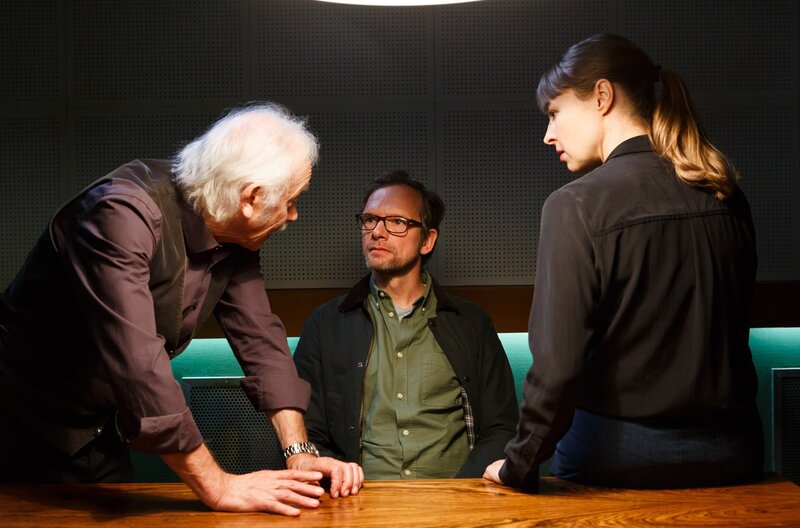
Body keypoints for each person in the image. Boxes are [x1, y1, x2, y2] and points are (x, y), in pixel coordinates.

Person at [0, 103, 363, 515]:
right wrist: (219, 487)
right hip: (19, 426)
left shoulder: (234, 231)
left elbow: (262, 342)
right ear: (250, 198)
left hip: (97, 428)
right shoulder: (120, 215)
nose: (293, 216)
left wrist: (300, 454)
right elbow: (141, 367)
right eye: (292, 201)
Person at [484, 34, 763, 491]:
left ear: (602, 96)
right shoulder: (726, 193)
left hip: (616, 457)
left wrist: (518, 463)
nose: (548, 134)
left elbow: (558, 368)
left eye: (554, 113)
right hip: (735, 452)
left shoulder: (575, 205)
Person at [293, 170, 518, 479]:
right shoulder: (325, 325)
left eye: (397, 222)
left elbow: (501, 426)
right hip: (359, 498)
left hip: (454, 499)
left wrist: (464, 491)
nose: (377, 232)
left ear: (427, 240)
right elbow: (307, 431)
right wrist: (341, 482)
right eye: (370, 220)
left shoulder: (472, 324)